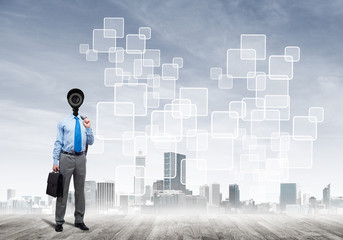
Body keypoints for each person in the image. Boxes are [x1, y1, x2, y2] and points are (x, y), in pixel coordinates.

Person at [52, 89, 94, 232]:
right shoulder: (63, 122)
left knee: (80, 191)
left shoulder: (85, 122)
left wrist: (88, 128)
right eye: (74, 98)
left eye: (78, 98)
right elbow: (58, 142)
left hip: (81, 158)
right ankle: (59, 221)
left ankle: (79, 220)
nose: (76, 101)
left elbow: (91, 141)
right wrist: (55, 161)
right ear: (70, 100)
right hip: (65, 157)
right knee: (62, 190)